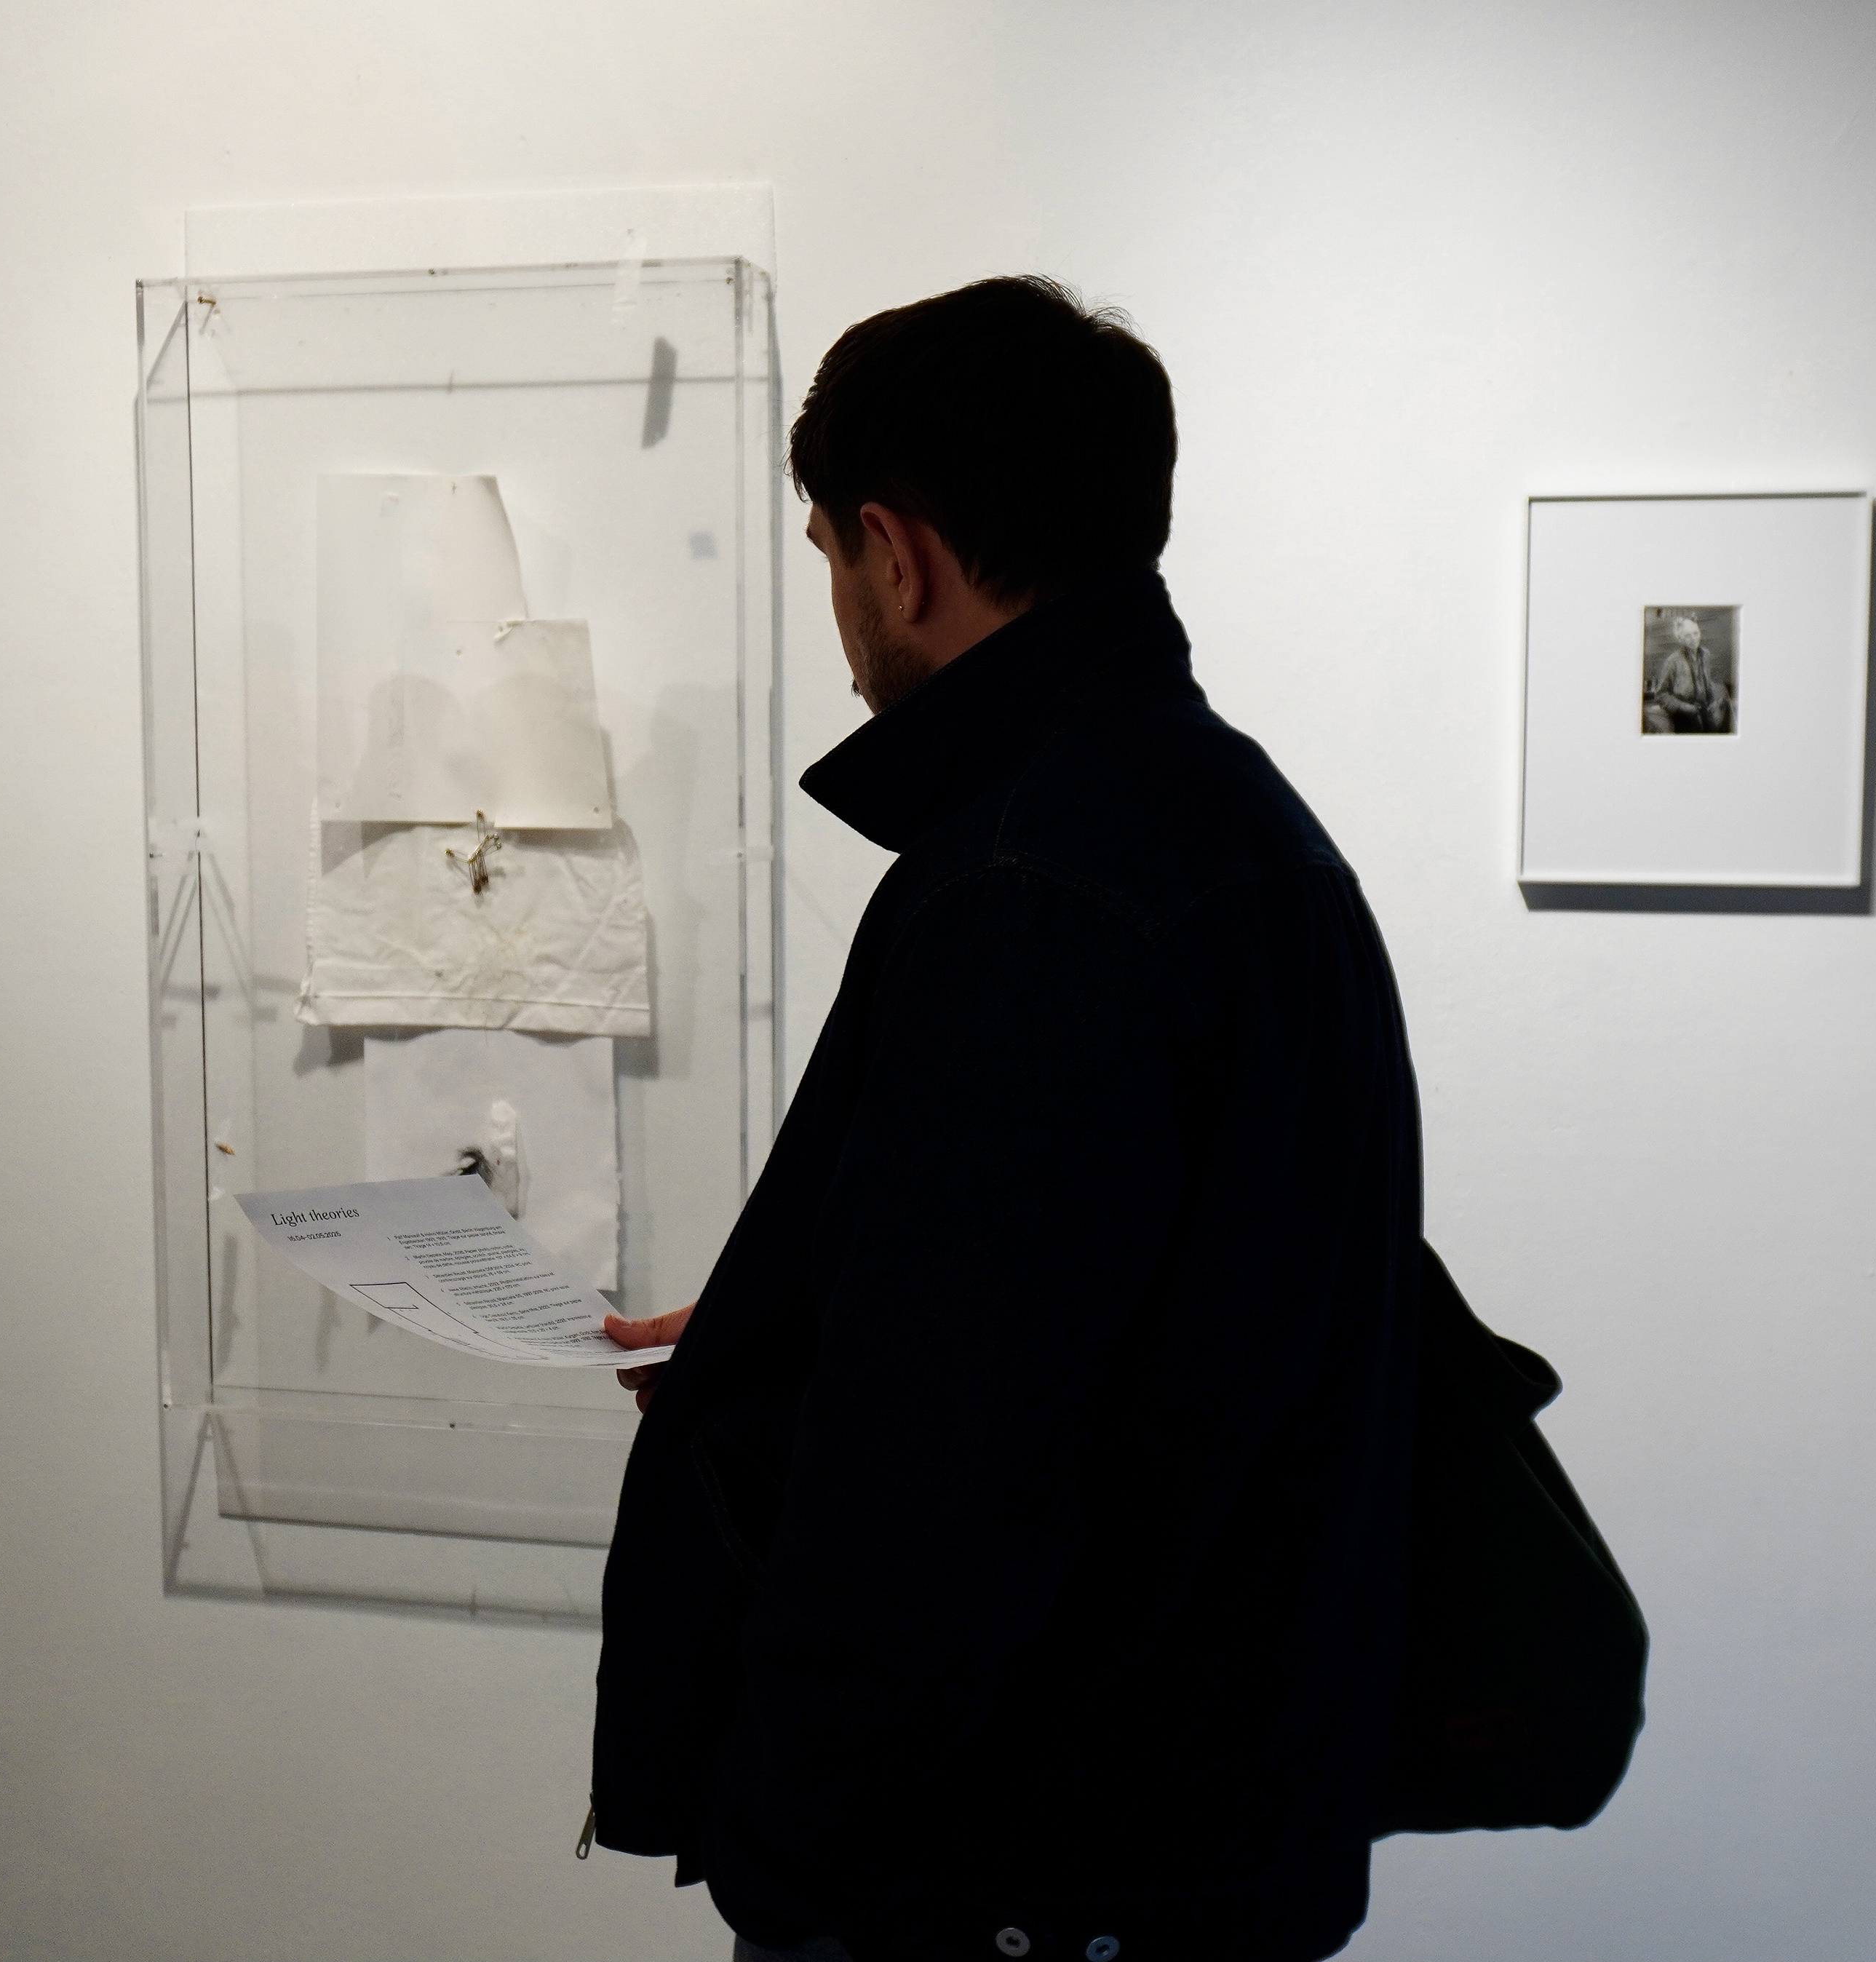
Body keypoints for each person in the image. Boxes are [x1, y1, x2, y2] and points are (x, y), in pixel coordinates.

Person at [589, 276, 1424, 1962]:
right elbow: (1151, 1329)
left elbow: (944, 1470)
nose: (842, 615)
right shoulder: (1239, 825)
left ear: (893, 553)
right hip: (1200, 1833)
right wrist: (799, 1342)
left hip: (1001, 1877)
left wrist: (785, 1860)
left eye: (829, 557)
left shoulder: (1030, 883)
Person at [1642, 612, 1730, 734]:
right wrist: (1685, 708)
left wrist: (1714, 701)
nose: (1694, 639)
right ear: (1680, 639)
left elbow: (1708, 683)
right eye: (1688, 636)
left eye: (1696, 633)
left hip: (1704, 710)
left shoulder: (1706, 655)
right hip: (1683, 716)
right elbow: (1661, 695)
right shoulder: (1673, 662)